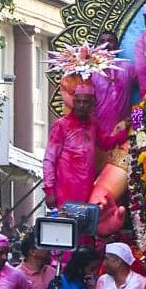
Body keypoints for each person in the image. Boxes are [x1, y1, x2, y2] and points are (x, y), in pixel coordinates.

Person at [43, 79, 127, 209]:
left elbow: (105, 144)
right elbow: (49, 160)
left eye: (85, 102)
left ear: (92, 104)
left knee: (84, 227)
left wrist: (126, 131)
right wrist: (49, 191)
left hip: (86, 189)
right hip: (65, 189)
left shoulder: (93, 124)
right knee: (68, 226)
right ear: (74, 102)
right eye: (78, 101)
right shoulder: (61, 125)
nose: (81, 105)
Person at [91, 31, 137, 139]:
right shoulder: (91, 71)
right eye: (102, 42)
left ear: (117, 45)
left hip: (124, 130)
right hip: (99, 133)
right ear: (98, 47)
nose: (106, 44)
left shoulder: (128, 67)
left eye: (110, 41)